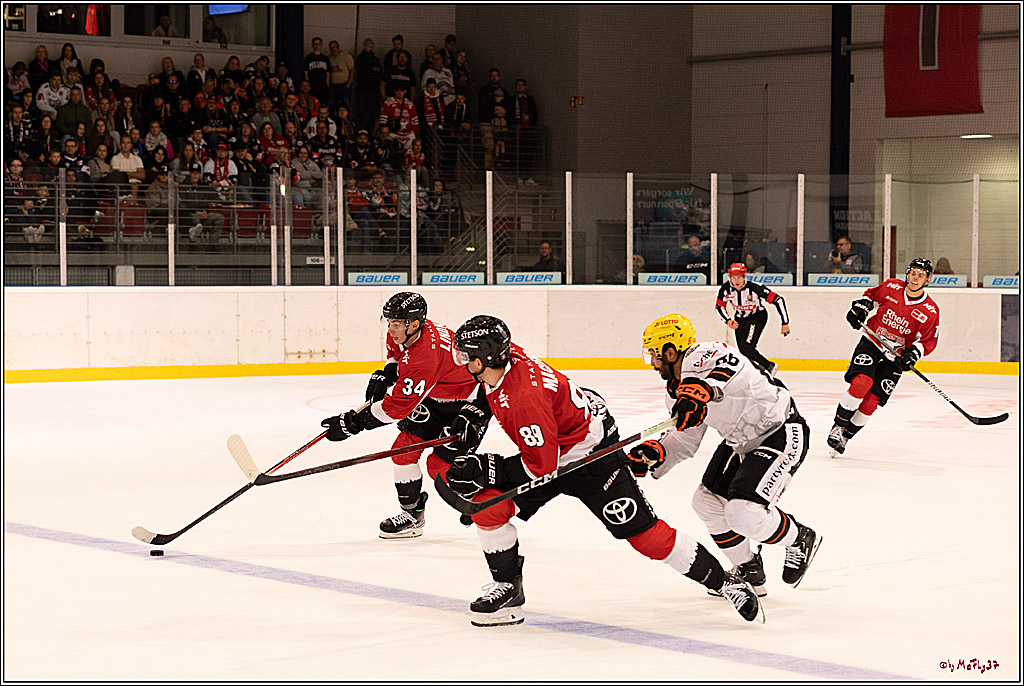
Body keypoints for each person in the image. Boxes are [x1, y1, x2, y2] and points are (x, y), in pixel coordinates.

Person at [435, 315, 761, 626]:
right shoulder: (504, 362)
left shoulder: (525, 398)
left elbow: (542, 467)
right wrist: (476, 412)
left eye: (465, 356)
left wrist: (490, 469)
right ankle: (509, 589)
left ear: (486, 358)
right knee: (490, 508)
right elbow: (511, 415)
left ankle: (725, 582)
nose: (460, 362)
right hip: (558, 444)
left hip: (592, 459)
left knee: (646, 538)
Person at [626, 313, 821, 600]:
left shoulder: (705, 354)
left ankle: (800, 538)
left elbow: (735, 367)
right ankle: (748, 568)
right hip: (740, 442)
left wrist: (701, 390)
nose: (653, 363)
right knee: (705, 502)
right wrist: (656, 452)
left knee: (743, 513)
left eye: (655, 355)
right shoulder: (676, 392)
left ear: (670, 351)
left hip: (780, 431)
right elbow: (685, 436)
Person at [317, 293, 481, 538]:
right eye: (388, 321)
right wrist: (390, 369)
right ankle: (412, 515)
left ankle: (481, 496)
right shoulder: (406, 330)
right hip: (432, 396)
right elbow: (396, 352)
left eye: (396, 324)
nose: (390, 328)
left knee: (440, 467)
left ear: (414, 324)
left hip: (465, 404)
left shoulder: (424, 356)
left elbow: (396, 408)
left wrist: (353, 423)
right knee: (403, 451)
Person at [827, 258, 940, 456]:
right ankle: (837, 426)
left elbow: (928, 341)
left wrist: (913, 353)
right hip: (872, 342)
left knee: (872, 400)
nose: (915, 277)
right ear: (907, 273)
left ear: (927, 280)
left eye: (921, 275)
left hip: (895, 357)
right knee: (861, 383)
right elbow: (870, 297)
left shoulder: (930, 311)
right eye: (913, 272)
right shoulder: (891, 287)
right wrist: (860, 308)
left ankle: (846, 436)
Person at [715, 263, 791, 376]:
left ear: (744, 276)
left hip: (757, 317)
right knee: (743, 349)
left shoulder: (755, 288)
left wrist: (785, 323)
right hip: (739, 319)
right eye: (733, 277)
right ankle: (758, 369)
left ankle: (768, 366)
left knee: (748, 347)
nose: (736, 281)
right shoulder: (726, 289)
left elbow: (778, 300)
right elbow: (719, 306)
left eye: (739, 277)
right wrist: (728, 320)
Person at [180, 163, 225, 242]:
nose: (195, 175)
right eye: (193, 173)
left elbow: (210, 198)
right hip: (190, 214)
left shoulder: (203, 185)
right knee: (195, 219)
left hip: (203, 214)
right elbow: (183, 203)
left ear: (200, 174)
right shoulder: (183, 186)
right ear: (190, 173)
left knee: (219, 218)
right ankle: (193, 243)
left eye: (197, 173)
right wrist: (196, 212)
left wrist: (204, 211)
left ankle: (213, 244)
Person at [353, 37, 383, 133]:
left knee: (372, 111)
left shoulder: (375, 59)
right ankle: (360, 130)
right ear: (364, 46)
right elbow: (362, 71)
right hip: (363, 89)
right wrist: (372, 69)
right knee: (362, 111)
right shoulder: (360, 58)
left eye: (372, 46)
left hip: (373, 90)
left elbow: (379, 71)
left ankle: (370, 131)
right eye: (368, 46)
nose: (370, 48)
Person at [378, 84, 418, 151]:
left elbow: (415, 120)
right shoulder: (388, 102)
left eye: (401, 91)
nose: (399, 93)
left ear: (405, 92)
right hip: (393, 135)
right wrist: (386, 134)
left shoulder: (410, 104)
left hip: (408, 136)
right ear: (395, 91)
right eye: (397, 91)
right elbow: (383, 120)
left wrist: (414, 133)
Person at [327, 39, 355, 115]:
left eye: (334, 47)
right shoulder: (329, 58)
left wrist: (349, 84)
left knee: (347, 105)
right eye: (331, 48)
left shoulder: (346, 56)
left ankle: (349, 122)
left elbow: (352, 70)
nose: (333, 49)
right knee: (331, 105)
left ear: (338, 47)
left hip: (344, 85)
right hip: (333, 86)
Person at [304, 37, 330, 104]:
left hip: (323, 87)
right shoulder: (308, 58)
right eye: (315, 44)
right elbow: (306, 73)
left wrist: (327, 86)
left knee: (323, 104)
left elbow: (327, 74)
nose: (317, 46)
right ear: (312, 45)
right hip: (312, 87)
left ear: (321, 45)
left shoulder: (325, 59)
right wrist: (308, 85)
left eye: (318, 44)